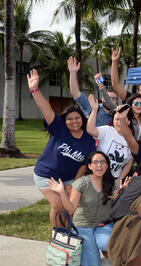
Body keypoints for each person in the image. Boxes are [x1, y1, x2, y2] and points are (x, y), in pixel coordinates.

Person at [27, 69, 96, 227]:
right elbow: (47, 110)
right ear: (65, 121)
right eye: (69, 119)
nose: (73, 121)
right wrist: (34, 90)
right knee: (58, 205)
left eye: (77, 118)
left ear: (82, 120)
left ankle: (67, 231)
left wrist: (74, 184)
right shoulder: (59, 129)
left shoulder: (88, 140)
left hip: (69, 178)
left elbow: (84, 165)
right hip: (47, 176)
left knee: (72, 206)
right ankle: (57, 234)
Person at [46, 151, 121, 266]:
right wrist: (61, 193)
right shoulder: (82, 183)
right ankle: (85, 248)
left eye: (102, 162)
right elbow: (70, 209)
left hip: (103, 224)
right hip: (83, 226)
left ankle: (95, 244)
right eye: (95, 162)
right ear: (90, 166)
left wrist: (121, 192)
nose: (99, 165)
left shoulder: (113, 183)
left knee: (106, 243)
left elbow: (118, 205)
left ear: (107, 165)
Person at [86, 94, 134, 182]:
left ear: (128, 122)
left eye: (122, 119)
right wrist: (94, 110)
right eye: (116, 119)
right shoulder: (107, 130)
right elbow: (90, 130)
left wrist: (119, 179)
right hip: (98, 176)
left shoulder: (130, 139)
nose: (119, 122)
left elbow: (129, 162)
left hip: (114, 179)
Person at [67, 56, 118, 127]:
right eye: (109, 97)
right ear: (102, 99)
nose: (111, 100)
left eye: (114, 98)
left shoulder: (117, 115)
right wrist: (72, 73)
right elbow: (75, 93)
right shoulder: (92, 107)